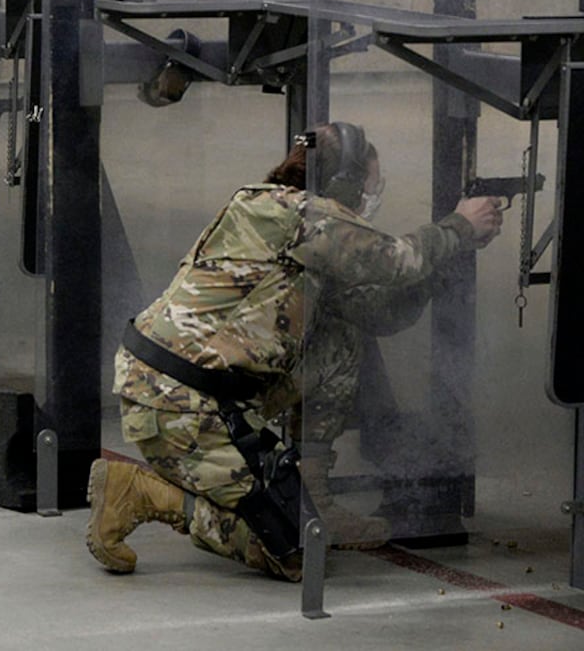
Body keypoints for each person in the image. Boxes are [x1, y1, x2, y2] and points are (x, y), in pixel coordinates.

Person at [85, 121, 505, 581]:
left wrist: (449, 260)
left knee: (340, 338)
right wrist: (462, 225)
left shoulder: (275, 214)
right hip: (182, 405)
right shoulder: (305, 216)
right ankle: (144, 494)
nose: (370, 197)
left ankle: (314, 493)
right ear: (342, 181)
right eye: (368, 184)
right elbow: (399, 259)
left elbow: (379, 313)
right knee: (295, 552)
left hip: (183, 390)